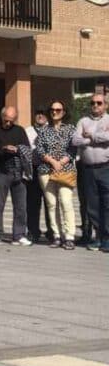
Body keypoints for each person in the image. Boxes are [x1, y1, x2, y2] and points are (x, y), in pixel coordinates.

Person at [35, 99, 77, 250]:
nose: (54, 112)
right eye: (52, 110)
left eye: (58, 110)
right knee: (51, 204)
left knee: (66, 202)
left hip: (65, 171)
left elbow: (73, 149)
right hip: (46, 171)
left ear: (64, 112)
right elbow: (39, 149)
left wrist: (61, 163)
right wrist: (53, 162)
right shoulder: (44, 130)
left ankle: (70, 236)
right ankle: (57, 235)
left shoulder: (71, 129)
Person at [0, 106, 30, 246]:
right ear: (2, 117)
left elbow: (26, 148)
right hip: (1, 171)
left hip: (18, 172)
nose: (8, 124)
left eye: (11, 121)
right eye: (6, 121)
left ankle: (19, 234)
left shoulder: (19, 130)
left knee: (21, 206)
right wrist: (6, 149)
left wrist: (16, 149)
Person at [72, 93, 109, 252]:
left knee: (107, 204)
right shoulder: (83, 121)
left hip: (105, 168)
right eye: (93, 103)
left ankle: (107, 238)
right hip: (87, 170)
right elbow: (75, 140)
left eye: (99, 103)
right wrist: (93, 139)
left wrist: (91, 135)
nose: (95, 105)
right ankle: (98, 237)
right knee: (92, 205)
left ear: (105, 105)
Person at [25, 108, 52, 243]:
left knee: (50, 202)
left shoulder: (52, 130)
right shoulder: (28, 131)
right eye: (37, 113)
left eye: (43, 114)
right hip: (34, 171)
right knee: (32, 203)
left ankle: (52, 232)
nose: (40, 116)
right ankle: (33, 231)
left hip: (49, 170)